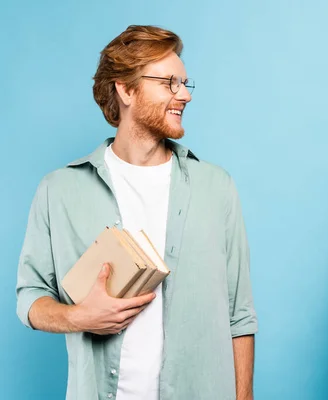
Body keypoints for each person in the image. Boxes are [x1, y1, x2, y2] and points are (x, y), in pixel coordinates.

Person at [16, 25, 257, 400]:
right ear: (125, 89)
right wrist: (79, 317)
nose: (184, 96)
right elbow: (30, 297)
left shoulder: (216, 187)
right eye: (169, 83)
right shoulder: (59, 190)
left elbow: (239, 315)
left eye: (185, 83)